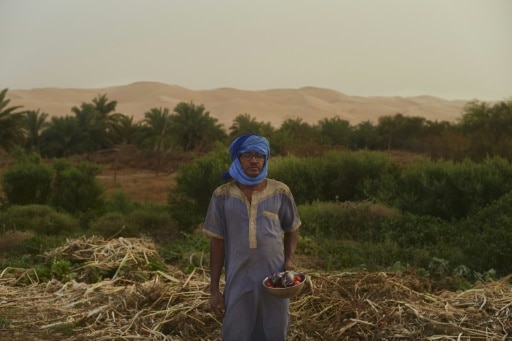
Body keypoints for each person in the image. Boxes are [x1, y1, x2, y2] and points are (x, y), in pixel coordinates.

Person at [202, 134, 301, 341]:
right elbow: (217, 242)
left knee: (274, 332)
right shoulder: (222, 195)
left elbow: (292, 228)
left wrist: (289, 259)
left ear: (266, 159)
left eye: (259, 155)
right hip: (238, 280)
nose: (254, 160)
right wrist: (214, 291)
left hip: (275, 281)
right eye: (247, 155)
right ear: (237, 159)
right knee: (236, 333)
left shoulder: (280, 191)